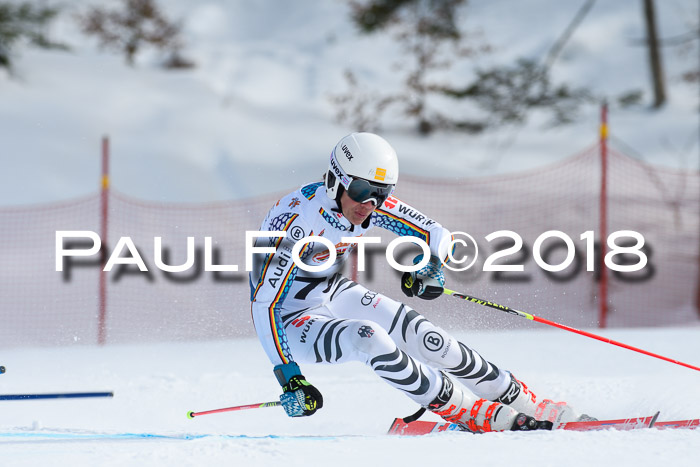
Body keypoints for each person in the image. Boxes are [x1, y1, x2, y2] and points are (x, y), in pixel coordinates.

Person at [249, 132, 590, 432]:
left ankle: (522, 402)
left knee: (426, 335)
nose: (369, 204)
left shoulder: (366, 203)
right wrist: (289, 376)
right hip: (291, 320)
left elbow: (437, 234)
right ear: (336, 180)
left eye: (381, 194)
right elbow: (266, 304)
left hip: (332, 292)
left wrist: (430, 266)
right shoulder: (295, 224)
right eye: (362, 190)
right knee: (370, 338)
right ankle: (465, 411)